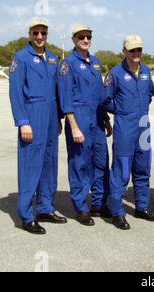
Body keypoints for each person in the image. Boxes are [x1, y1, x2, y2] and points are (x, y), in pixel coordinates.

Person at [9, 18, 67, 235]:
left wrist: (59, 119)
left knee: (50, 164)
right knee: (30, 166)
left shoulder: (53, 59)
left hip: (51, 117)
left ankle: (45, 208)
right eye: (36, 33)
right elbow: (15, 93)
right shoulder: (21, 58)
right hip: (32, 115)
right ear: (30, 34)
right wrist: (23, 122)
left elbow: (58, 92)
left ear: (47, 34)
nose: (40, 37)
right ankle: (26, 215)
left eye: (43, 33)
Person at [103, 35, 154, 230]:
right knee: (121, 170)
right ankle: (117, 211)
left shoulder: (145, 71)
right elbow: (105, 100)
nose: (136, 53)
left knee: (143, 169)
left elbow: (150, 94)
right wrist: (121, 110)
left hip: (143, 126)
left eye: (139, 50)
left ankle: (142, 208)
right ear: (124, 52)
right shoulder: (115, 73)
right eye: (132, 50)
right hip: (125, 127)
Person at [58, 25, 111, 226]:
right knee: (80, 164)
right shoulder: (68, 64)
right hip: (78, 118)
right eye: (81, 36)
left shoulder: (96, 62)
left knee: (100, 162)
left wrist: (105, 119)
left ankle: (98, 203)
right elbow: (65, 98)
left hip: (96, 119)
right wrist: (73, 126)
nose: (86, 39)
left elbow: (99, 95)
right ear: (73, 39)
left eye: (88, 36)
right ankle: (81, 207)